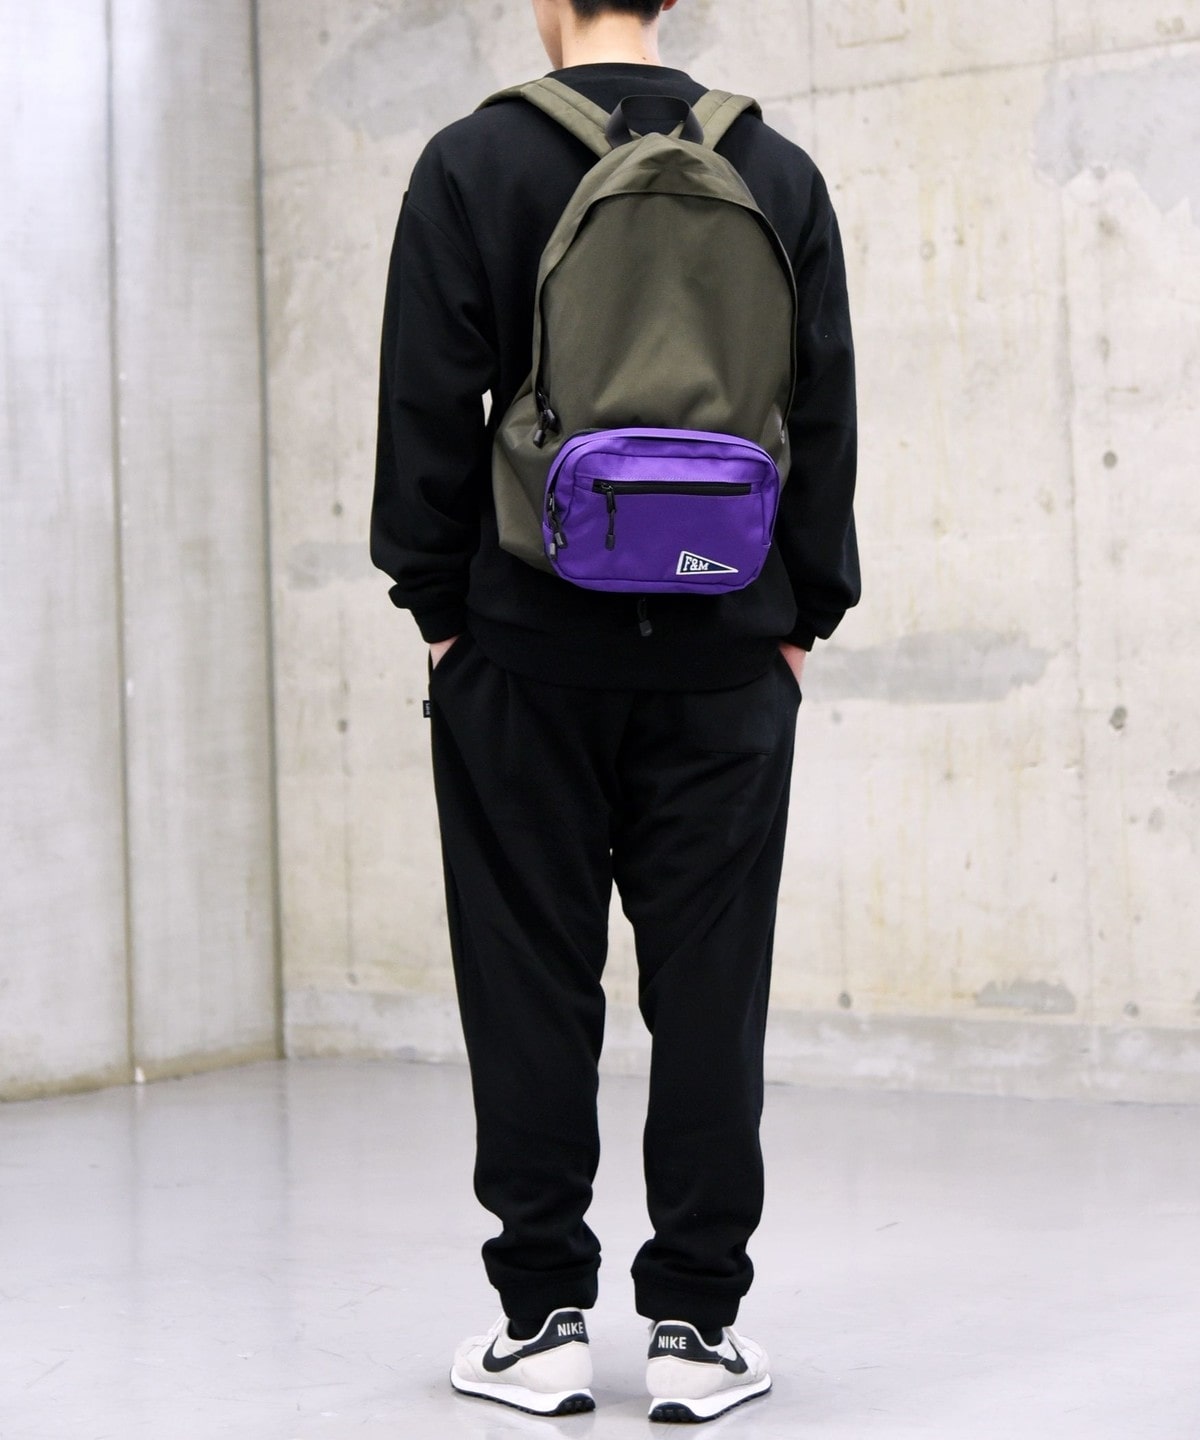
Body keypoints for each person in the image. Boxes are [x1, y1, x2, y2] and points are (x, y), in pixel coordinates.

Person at [371, 0, 859, 1422]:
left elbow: (426, 404)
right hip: (726, 648)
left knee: (527, 978)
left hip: (523, 645)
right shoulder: (776, 170)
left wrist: (440, 609)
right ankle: (698, 1330)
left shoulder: (472, 162)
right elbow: (822, 410)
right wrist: (802, 617)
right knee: (712, 989)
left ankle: (543, 1323)